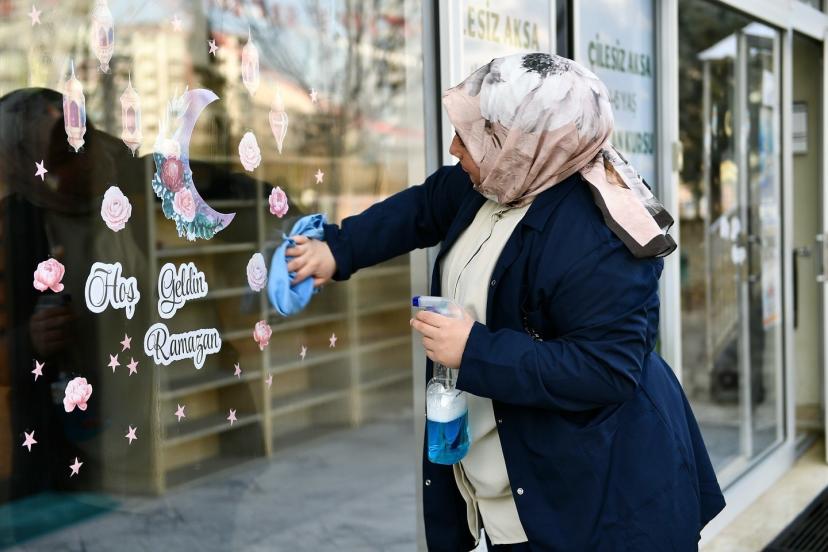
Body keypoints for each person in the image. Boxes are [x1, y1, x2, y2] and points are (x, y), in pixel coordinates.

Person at [283, 53, 725, 551]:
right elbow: (423, 207)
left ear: (522, 141)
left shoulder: (600, 236)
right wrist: (338, 250)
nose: (455, 147)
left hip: (597, 503)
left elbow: (607, 369)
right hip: (511, 488)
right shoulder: (498, 178)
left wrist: (473, 350)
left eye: (469, 136)